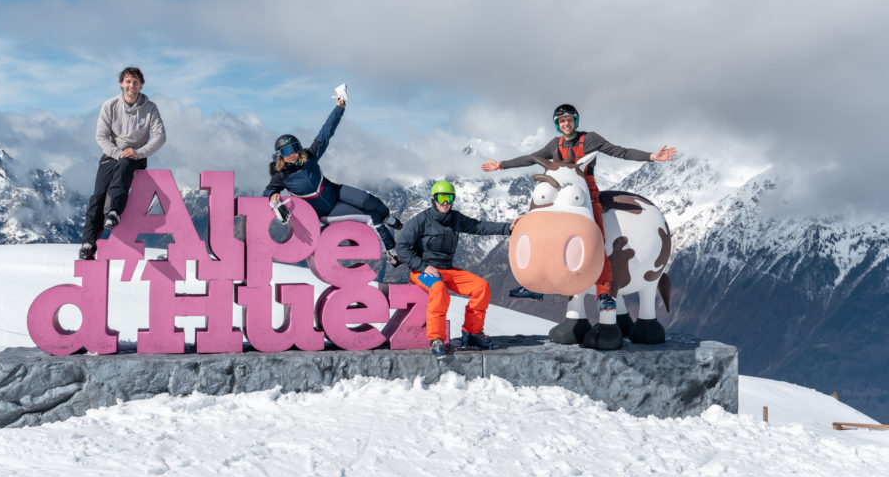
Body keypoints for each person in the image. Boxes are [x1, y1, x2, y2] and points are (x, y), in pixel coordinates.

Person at [481, 103, 675, 313]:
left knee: (597, 238)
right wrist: (501, 165)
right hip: (558, 197)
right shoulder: (555, 144)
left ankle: (603, 292)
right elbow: (530, 158)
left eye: (569, 120)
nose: (566, 124)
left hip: (584, 196)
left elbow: (620, 152)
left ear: (575, 122)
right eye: (562, 121)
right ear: (557, 124)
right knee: (541, 229)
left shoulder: (591, 139)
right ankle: (535, 285)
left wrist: (651, 157)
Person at [264, 86, 403, 267]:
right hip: (327, 211)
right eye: (286, 151)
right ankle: (391, 252)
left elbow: (326, 133)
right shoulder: (281, 174)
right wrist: (275, 200)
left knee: (369, 200)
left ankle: (387, 217)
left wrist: (340, 106)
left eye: (295, 148)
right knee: (370, 217)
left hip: (335, 191)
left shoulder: (310, 156)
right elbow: (270, 190)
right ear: (280, 155)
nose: (292, 154)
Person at [396, 180, 517, 357]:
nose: (445, 203)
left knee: (480, 287)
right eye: (442, 198)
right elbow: (402, 247)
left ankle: (472, 333)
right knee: (438, 289)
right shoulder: (421, 220)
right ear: (433, 199)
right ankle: (436, 338)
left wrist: (508, 228)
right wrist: (422, 266)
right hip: (422, 271)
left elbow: (479, 227)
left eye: (449, 198)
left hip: (447, 269)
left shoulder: (455, 218)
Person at [78, 67, 166, 260]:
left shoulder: (150, 108)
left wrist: (139, 152)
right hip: (112, 154)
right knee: (98, 196)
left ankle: (114, 211)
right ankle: (88, 243)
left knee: (125, 167)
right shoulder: (110, 106)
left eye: (135, 82)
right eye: (127, 81)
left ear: (141, 84)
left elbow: (160, 136)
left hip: (136, 157)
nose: (131, 85)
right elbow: (101, 136)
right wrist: (118, 153)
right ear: (121, 84)